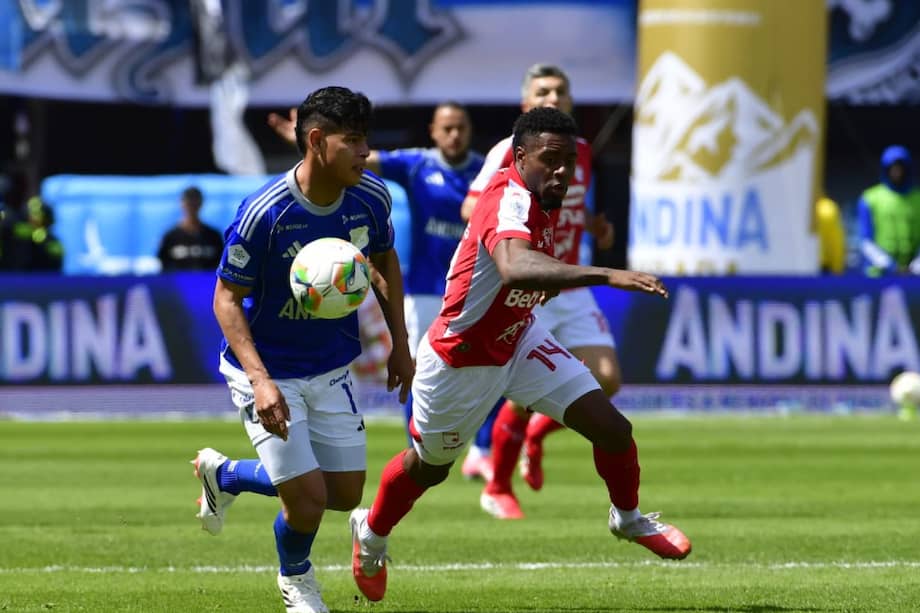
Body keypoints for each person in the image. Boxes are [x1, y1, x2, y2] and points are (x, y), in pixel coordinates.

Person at [348, 107, 692, 604]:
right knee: (429, 468)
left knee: (613, 428)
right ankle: (371, 533)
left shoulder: (545, 197)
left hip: (518, 340)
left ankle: (629, 518)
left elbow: (520, 281)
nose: (561, 172)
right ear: (519, 156)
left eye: (568, 162)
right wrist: (608, 273)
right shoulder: (507, 196)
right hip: (459, 360)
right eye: (549, 160)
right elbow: (513, 266)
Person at [192, 86, 413, 613]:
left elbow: (383, 264)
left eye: (367, 141)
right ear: (316, 141)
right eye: (354, 141)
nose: (365, 153)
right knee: (309, 501)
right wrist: (261, 381)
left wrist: (401, 344)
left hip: (330, 365)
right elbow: (226, 299)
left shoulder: (371, 197)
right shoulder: (264, 212)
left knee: (345, 494)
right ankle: (297, 581)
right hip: (267, 369)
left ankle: (225, 475)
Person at [269, 101, 499, 481]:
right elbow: (358, 161)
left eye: (461, 127)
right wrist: (309, 144)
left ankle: (483, 450)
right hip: (426, 291)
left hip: (477, 288)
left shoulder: (484, 171)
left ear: (469, 129)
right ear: (433, 130)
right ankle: (418, 450)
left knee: (490, 370)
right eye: (447, 128)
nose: (454, 135)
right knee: (421, 373)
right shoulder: (418, 165)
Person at [461, 63, 618, 519]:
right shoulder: (510, 151)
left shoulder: (582, 152)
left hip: (568, 280)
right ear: (526, 102)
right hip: (533, 284)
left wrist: (594, 226)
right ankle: (497, 486)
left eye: (561, 90)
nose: (553, 96)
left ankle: (536, 434)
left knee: (607, 378)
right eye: (543, 90)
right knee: (521, 390)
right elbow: (472, 203)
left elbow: (571, 205)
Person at [857, 145, 920, 276]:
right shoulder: (870, 198)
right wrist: (889, 265)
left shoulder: (917, 198)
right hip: (879, 276)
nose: (896, 171)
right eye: (892, 167)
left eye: (900, 167)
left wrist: (915, 266)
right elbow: (865, 241)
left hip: (914, 276)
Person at [156, 186, 224, 271]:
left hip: (207, 283)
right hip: (178, 283)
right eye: (189, 202)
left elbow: (221, 265)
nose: (192, 206)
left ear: (201, 204)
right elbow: (164, 266)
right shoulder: (170, 236)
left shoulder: (213, 236)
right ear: (182, 204)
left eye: (195, 202)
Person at [0, 195, 64, 271]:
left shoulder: (51, 240)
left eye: (37, 213)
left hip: (42, 276)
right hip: (12, 274)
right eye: (33, 213)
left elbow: (57, 254)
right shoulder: (15, 228)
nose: (33, 216)